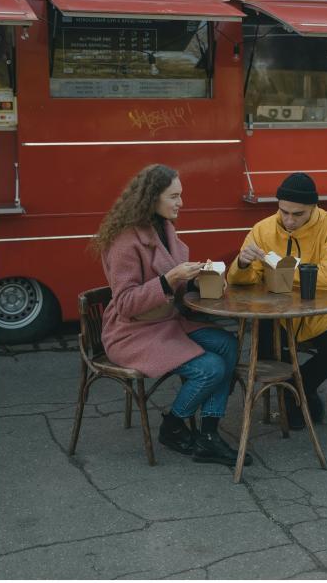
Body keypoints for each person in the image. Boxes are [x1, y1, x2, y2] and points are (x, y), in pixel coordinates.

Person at [93, 164, 251, 467]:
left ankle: (208, 436)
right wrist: (170, 278)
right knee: (211, 368)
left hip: (164, 323)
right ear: (152, 198)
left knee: (228, 345)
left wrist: (201, 279)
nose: (181, 203)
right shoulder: (125, 240)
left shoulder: (163, 228)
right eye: (174, 196)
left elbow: (175, 282)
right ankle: (173, 425)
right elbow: (125, 303)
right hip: (132, 332)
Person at [227, 172, 327, 429]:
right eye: (284, 212)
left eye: (298, 214)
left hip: (322, 318)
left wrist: (276, 270)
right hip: (279, 319)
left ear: (314, 208)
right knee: (264, 353)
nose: (289, 220)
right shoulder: (262, 229)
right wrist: (241, 263)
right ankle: (294, 399)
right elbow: (238, 281)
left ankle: (298, 388)